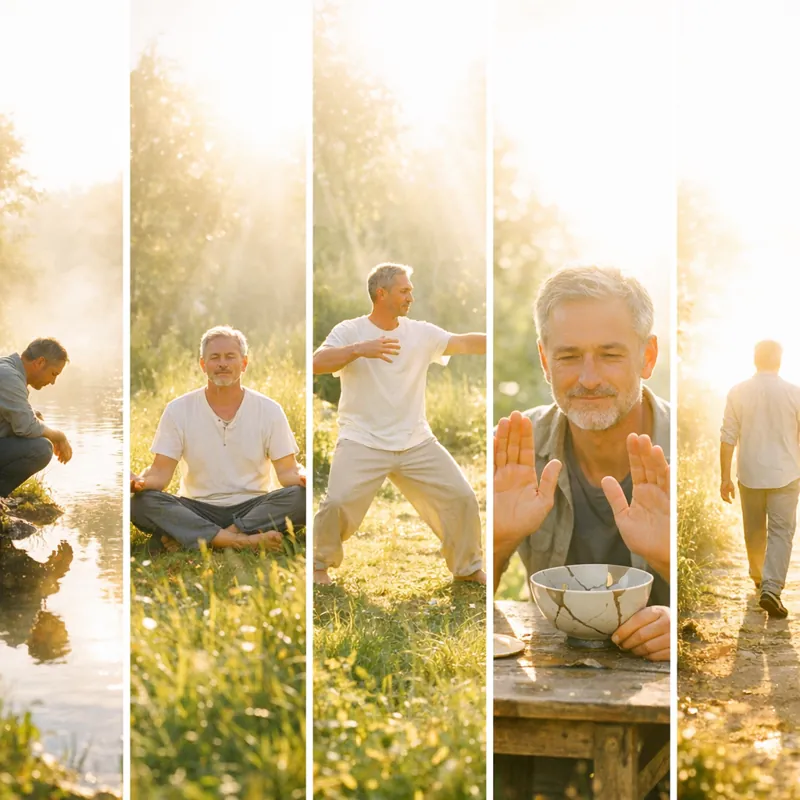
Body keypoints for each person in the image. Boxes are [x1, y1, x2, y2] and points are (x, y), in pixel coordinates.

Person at [494, 265, 670, 662]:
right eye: (569, 356)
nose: (589, 379)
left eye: (610, 355)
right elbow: (469, 608)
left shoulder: (689, 452)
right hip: (551, 673)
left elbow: (726, 600)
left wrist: (681, 619)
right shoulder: (512, 451)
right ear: (545, 359)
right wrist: (499, 538)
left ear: (647, 356)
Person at [313, 262, 487, 585]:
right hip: (361, 439)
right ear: (382, 294)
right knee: (336, 502)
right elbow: (316, 364)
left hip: (415, 441)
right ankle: (318, 564)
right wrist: (359, 350)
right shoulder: (350, 331)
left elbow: (464, 342)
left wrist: (497, 341)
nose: (411, 297)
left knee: (462, 497)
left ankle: (468, 568)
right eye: (404, 291)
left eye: (411, 291)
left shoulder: (420, 333)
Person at [130, 325, 306, 552]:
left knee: (300, 498)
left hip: (253, 507)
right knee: (141, 503)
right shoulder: (178, 409)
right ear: (203, 365)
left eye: (230, 357)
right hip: (196, 507)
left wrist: (303, 476)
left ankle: (200, 537)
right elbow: (160, 473)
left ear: (244, 363)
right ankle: (241, 541)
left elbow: (288, 471)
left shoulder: (270, 410)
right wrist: (138, 483)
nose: (223, 363)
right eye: (215, 357)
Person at [720, 339, 800, 619]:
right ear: (779, 361)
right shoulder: (794, 393)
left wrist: (725, 477)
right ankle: (771, 588)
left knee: (754, 530)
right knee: (781, 533)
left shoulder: (738, 392)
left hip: (750, 474)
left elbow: (728, 436)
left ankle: (759, 578)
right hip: (787, 474)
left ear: (755, 360)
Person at [0, 338, 73, 497]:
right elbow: (27, 427)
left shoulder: (8, 368)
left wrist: (37, 418)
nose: (53, 382)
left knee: (36, 418)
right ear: (40, 362)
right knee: (41, 449)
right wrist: (59, 436)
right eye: (54, 374)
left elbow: (20, 416)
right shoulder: (9, 377)